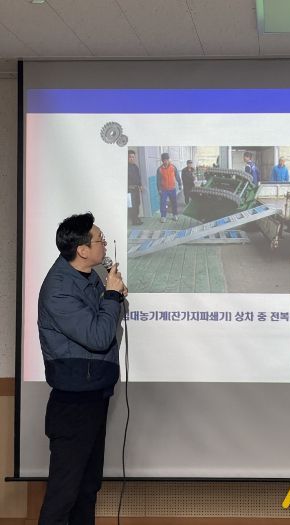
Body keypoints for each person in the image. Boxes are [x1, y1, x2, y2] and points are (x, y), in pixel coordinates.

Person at [37, 212, 127, 525]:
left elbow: (102, 319)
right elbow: (98, 337)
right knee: (64, 493)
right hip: (73, 402)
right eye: (100, 240)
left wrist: (114, 295)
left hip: (93, 394)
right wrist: (111, 295)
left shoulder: (88, 276)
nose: (105, 245)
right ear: (82, 250)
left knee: (87, 487)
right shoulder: (59, 288)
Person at [156, 152, 182, 223]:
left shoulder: (173, 167)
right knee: (163, 203)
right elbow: (158, 180)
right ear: (162, 161)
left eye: (167, 160)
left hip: (172, 189)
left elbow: (177, 176)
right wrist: (159, 189)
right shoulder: (159, 169)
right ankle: (163, 216)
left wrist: (180, 184)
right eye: (164, 160)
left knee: (174, 202)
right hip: (164, 189)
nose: (166, 161)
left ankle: (175, 215)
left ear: (168, 160)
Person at [128, 150, 143, 225]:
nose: (132, 158)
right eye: (130, 157)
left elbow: (138, 177)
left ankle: (136, 217)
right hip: (129, 190)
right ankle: (134, 220)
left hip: (136, 189)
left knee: (137, 203)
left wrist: (140, 185)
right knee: (132, 205)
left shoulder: (135, 167)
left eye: (133, 157)